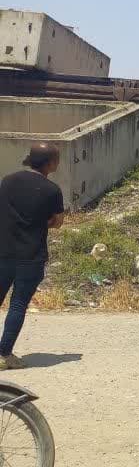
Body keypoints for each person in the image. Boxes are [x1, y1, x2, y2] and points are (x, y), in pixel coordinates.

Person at [0, 143, 65, 368]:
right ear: (50, 163)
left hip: (3, 251)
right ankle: (4, 354)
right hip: (31, 255)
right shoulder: (52, 190)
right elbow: (57, 222)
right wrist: (41, 222)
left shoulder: (7, 181)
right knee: (18, 305)